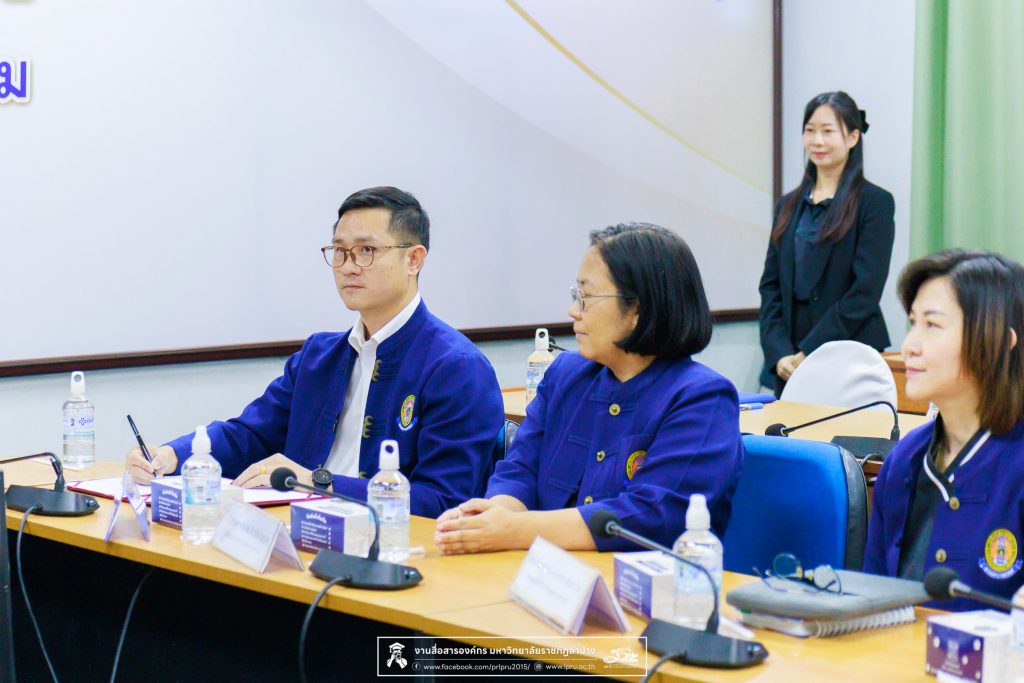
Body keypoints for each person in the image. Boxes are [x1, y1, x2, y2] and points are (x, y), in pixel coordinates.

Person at [126, 186, 504, 517]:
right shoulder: (319, 356)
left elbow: (443, 500)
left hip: (387, 548)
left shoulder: (456, 368)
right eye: (339, 251)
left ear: (414, 259)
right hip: (298, 530)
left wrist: (317, 483)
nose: (348, 267)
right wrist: (171, 455)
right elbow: (249, 435)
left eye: (367, 250)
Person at [434, 223, 744, 554]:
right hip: (541, 571)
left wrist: (514, 530)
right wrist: (493, 515)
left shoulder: (702, 398)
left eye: (586, 297)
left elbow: (652, 515)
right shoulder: (566, 375)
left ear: (637, 310)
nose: (573, 310)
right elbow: (520, 470)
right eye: (575, 296)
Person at [864, 249, 1024, 610]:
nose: (909, 347)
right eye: (912, 324)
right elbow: (871, 601)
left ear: (1000, 343)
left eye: (932, 325)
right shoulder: (904, 460)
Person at [758, 91, 895, 396]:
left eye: (828, 131)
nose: (817, 141)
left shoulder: (875, 203)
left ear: (853, 137)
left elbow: (865, 292)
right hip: (789, 360)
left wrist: (810, 351)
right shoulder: (788, 205)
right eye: (810, 130)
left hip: (849, 353)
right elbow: (770, 286)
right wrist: (779, 352)